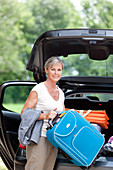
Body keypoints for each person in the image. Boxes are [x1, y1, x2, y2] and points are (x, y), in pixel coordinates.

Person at [21, 56, 65, 170]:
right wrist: (44, 115)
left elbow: (63, 114)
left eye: (59, 70)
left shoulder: (60, 93)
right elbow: (24, 113)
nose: (56, 73)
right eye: (53, 69)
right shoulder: (38, 90)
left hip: (54, 138)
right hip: (39, 137)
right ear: (46, 70)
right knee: (35, 167)